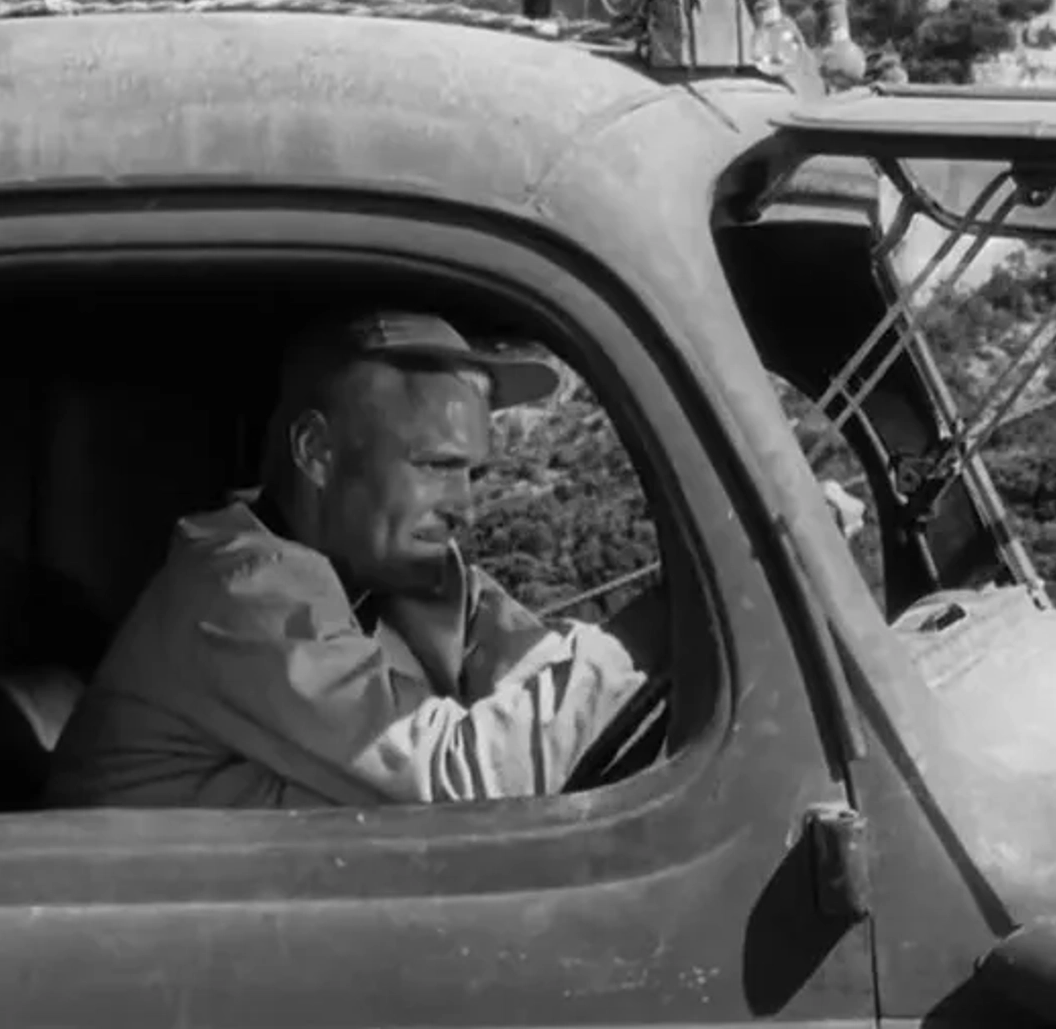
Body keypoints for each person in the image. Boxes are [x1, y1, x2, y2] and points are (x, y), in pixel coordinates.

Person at [45, 310, 661, 810]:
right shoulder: (239, 590)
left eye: (472, 473)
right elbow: (458, 784)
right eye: (436, 467)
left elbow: (544, 668)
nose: (466, 508)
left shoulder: (398, 571)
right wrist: (653, 632)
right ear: (317, 452)